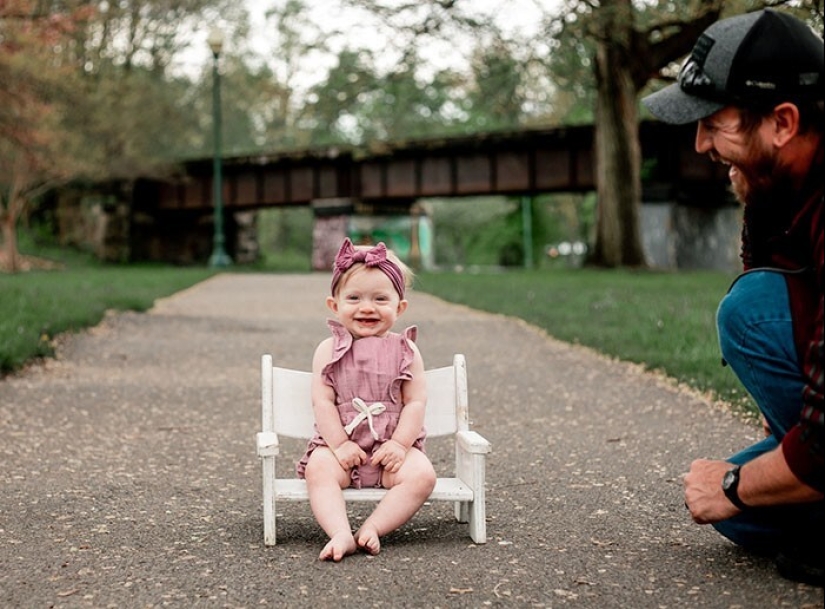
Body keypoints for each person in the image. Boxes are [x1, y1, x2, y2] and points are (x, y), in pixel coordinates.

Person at [642, 9, 823, 586]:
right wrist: (758, 197)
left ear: (783, 122)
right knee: (742, 519)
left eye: (712, 123)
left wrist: (733, 486)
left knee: (750, 312)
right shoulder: (788, 180)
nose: (699, 145)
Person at [296, 238, 437, 561]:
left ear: (399, 307)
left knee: (422, 475)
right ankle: (340, 533)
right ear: (335, 305)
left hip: (391, 450)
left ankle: (373, 527)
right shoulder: (327, 350)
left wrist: (401, 445)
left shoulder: (407, 351)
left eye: (380, 299)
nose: (367, 307)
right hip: (341, 448)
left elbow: (415, 402)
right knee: (318, 470)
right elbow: (323, 403)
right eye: (355, 298)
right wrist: (340, 445)